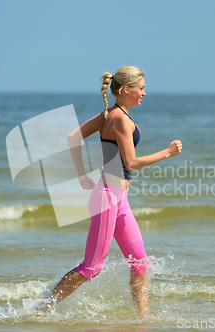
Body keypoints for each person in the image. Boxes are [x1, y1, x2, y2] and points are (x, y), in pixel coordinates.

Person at [42, 65, 182, 316]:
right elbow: (131, 163)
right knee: (91, 268)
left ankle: (143, 316)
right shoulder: (119, 119)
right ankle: (43, 309)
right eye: (141, 88)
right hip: (108, 197)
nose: (144, 93)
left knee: (140, 264)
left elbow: (73, 137)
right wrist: (167, 153)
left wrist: (82, 173)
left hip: (119, 198)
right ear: (127, 90)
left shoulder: (107, 115)